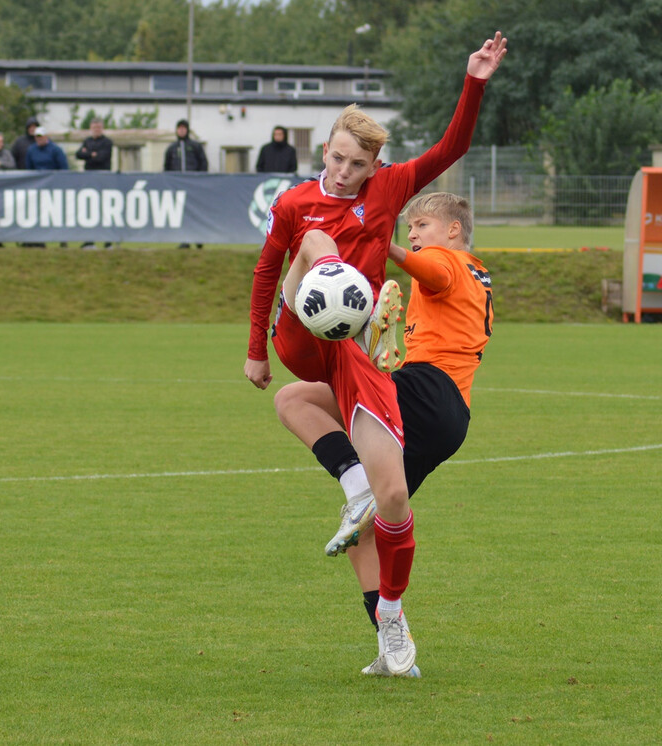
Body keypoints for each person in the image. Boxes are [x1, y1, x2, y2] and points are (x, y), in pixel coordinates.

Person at [243, 32, 507, 677]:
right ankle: (337, 291)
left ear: (372, 166)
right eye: (335, 158)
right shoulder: (295, 203)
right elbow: (265, 269)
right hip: (304, 332)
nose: (342, 172)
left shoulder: (389, 189)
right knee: (312, 247)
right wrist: (255, 350)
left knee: (388, 503)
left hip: (355, 359)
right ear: (324, 149)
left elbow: (453, 148)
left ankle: (391, 628)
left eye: (355, 165)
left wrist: (473, 81)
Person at [273, 192, 493, 677]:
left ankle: (367, 343)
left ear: (453, 230)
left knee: (297, 398)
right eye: (409, 228)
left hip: (424, 389)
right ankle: (392, 638)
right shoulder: (476, 276)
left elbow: (431, 271)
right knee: (365, 529)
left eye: (421, 225)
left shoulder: (449, 261)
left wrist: (386, 247)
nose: (412, 234)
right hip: (446, 415)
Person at [164, 119, 207, 248]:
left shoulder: (195, 146)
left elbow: (203, 163)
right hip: (178, 187)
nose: (181, 131)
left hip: (194, 186)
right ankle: (185, 240)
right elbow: (167, 167)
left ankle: (199, 239)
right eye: (179, 128)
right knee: (182, 214)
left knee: (196, 212)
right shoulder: (172, 148)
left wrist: (199, 179)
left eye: (184, 128)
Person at [76, 119, 114, 249]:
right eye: (94, 127)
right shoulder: (87, 141)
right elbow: (78, 154)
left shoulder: (107, 142)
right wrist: (91, 154)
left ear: (102, 128)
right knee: (89, 211)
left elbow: (101, 157)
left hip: (103, 180)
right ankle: (89, 240)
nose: (96, 130)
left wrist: (89, 154)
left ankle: (108, 241)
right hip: (89, 181)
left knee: (105, 210)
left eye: (98, 127)